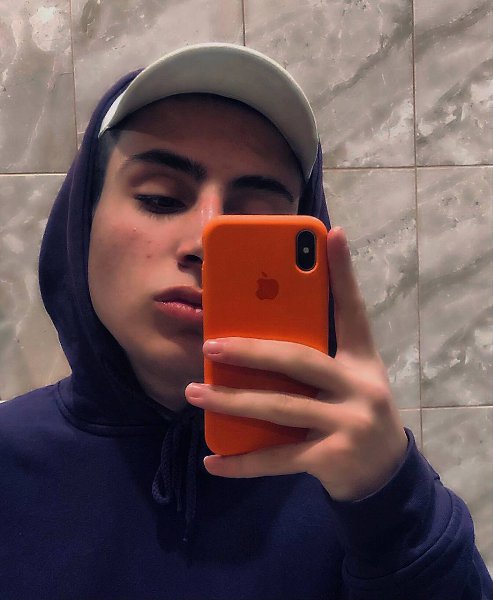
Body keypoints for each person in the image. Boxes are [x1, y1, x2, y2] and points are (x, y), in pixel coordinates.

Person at [0, 43, 491, 600]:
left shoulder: (355, 477)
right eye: (160, 199)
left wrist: (393, 504)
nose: (204, 242)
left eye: (254, 221)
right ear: (83, 221)